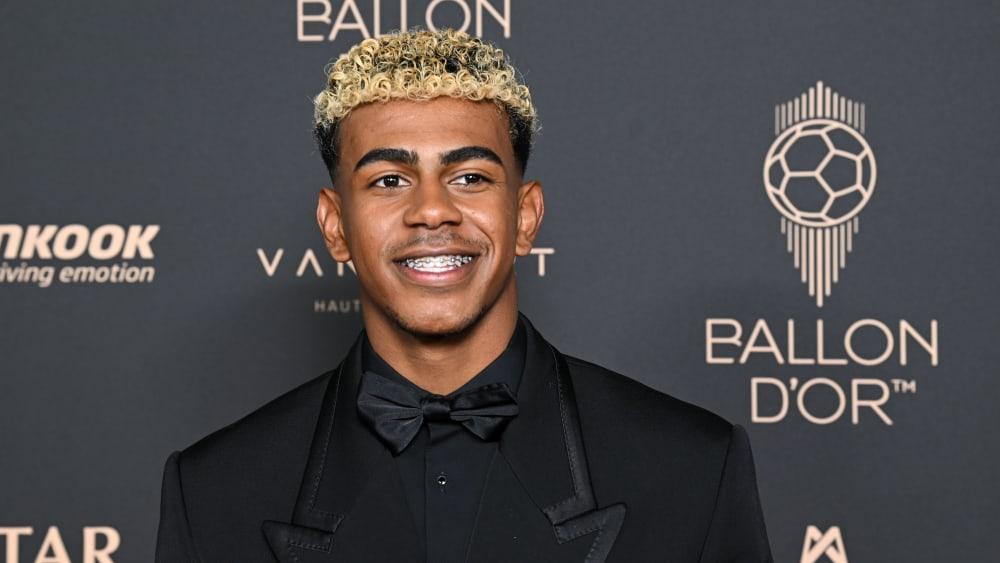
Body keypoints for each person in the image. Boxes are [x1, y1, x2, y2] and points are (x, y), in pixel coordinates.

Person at [155, 28, 772, 563]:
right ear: (335, 226)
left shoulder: (693, 470)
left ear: (525, 217)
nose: (432, 209)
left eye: (470, 176)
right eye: (389, 180)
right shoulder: (213, 492)